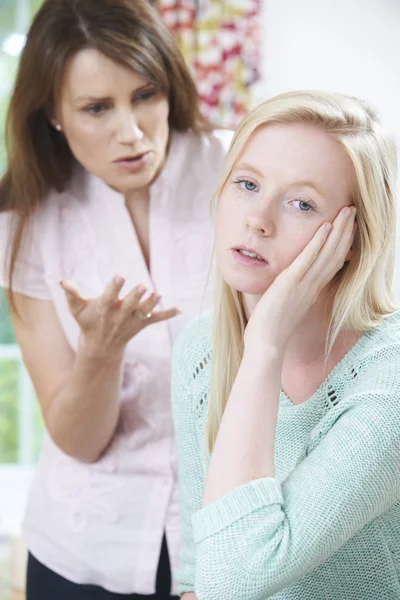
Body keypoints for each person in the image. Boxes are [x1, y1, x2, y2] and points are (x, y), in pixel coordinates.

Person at [0, 0, 232, 598]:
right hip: (83, 551)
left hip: (231, 540)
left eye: (146, 95)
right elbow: (77, 440)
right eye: (96, 108)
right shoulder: (24, 219)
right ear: (52, 112)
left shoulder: (241, 173)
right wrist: (101, 352)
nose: (130, 133)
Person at [172, 90, 400, 600]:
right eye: (247, 184)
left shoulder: (390, 378)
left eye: (301, 203)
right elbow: (197, 577)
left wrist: (265, 345)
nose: (258, 220)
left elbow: (235, 577)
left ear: (353, 239)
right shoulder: (200, 350)